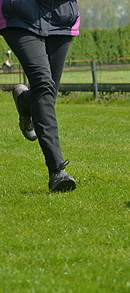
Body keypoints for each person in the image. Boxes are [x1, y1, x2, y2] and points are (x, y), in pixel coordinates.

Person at [0, 0, 80, 192]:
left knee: (47, 94)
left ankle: (25, 101)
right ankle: (57, 170)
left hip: (60, 16)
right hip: (20, 14)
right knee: (44, 86)